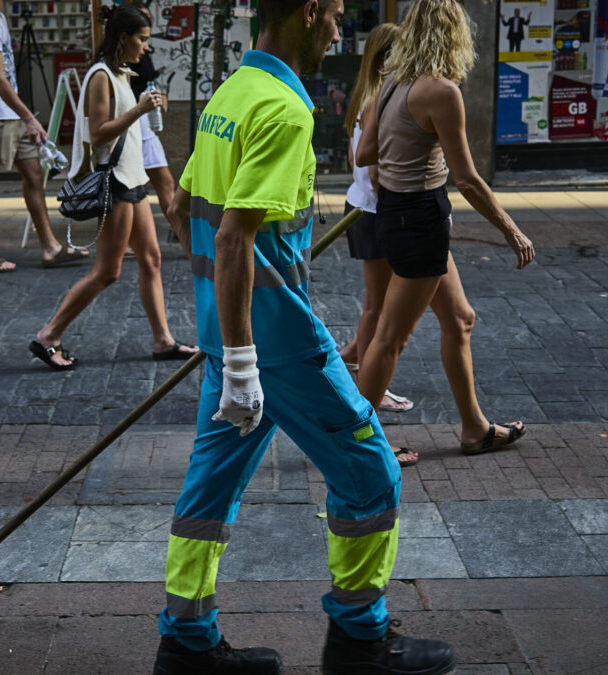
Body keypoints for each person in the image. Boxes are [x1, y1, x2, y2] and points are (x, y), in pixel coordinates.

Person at [154, 0, 455, 672]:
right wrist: (242, 360)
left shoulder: (229, 93)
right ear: (309, 10)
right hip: (277, 342)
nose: (338, 29)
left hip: (226, 331)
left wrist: (219, 325)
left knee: (209, 488)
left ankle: (186, 642)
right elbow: (233, 235)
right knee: (372, 474)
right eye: (336, 15)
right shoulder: (287, 110)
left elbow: (181, 209)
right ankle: (359, 638)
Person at [356, 0, 535, 456]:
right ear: (454, 34)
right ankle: (355, 445)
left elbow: (364, 154)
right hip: (420, 218)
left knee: (460, 318)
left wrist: (409, 147)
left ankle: (474, 428)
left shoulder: (393, 83)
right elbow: (469, 179)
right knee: (389, 338)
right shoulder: (440, 91)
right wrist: (512, 230)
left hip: (398, 213)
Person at [30, 4, 196, 371]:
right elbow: (98, 133)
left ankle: (162, 340)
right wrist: (138, 110)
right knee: (107, 271)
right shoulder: (100, 75)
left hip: (134, 181)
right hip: (116, 182)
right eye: (141, 39)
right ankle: (48, 335)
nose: (145, 47)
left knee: (151, 259)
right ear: (123, 38)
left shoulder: (122, 73)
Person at [334, 23, 418, 469]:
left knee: (376, 305)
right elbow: (372, 170)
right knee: (377, 307)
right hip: (373, 211)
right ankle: (370, 382)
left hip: (364, 209)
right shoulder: (379, 97)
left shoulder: (370, 92)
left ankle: (354, 361)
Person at [0, 0, 88, 272]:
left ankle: (50, 247)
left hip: (9, 112)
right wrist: (29, 117)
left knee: (33, 174)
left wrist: (23, 116)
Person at [127, 4, 179, 236]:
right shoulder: (110, 68)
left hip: (145, 120)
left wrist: (159, 95)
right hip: (134, 123)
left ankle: (181, 232)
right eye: (142, 37)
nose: (146, 45)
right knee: (137, 185)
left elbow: (146, 80)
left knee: (162, 181)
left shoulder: (141, 52)